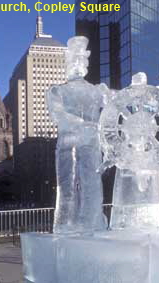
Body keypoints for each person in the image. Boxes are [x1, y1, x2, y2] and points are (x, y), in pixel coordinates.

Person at [47, 36, 108, 234]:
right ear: (67, 64)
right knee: (68, 183)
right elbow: (58, 115)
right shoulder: (57, 90)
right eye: (74, 60)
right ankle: (67, 222)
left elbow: (114, 109)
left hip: (91, 142)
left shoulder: (97, 91)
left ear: (86, 64)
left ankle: (92, 220)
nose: (78, 64)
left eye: (82, 60)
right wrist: (83, 123)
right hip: (69, 141)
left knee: (92, 182)